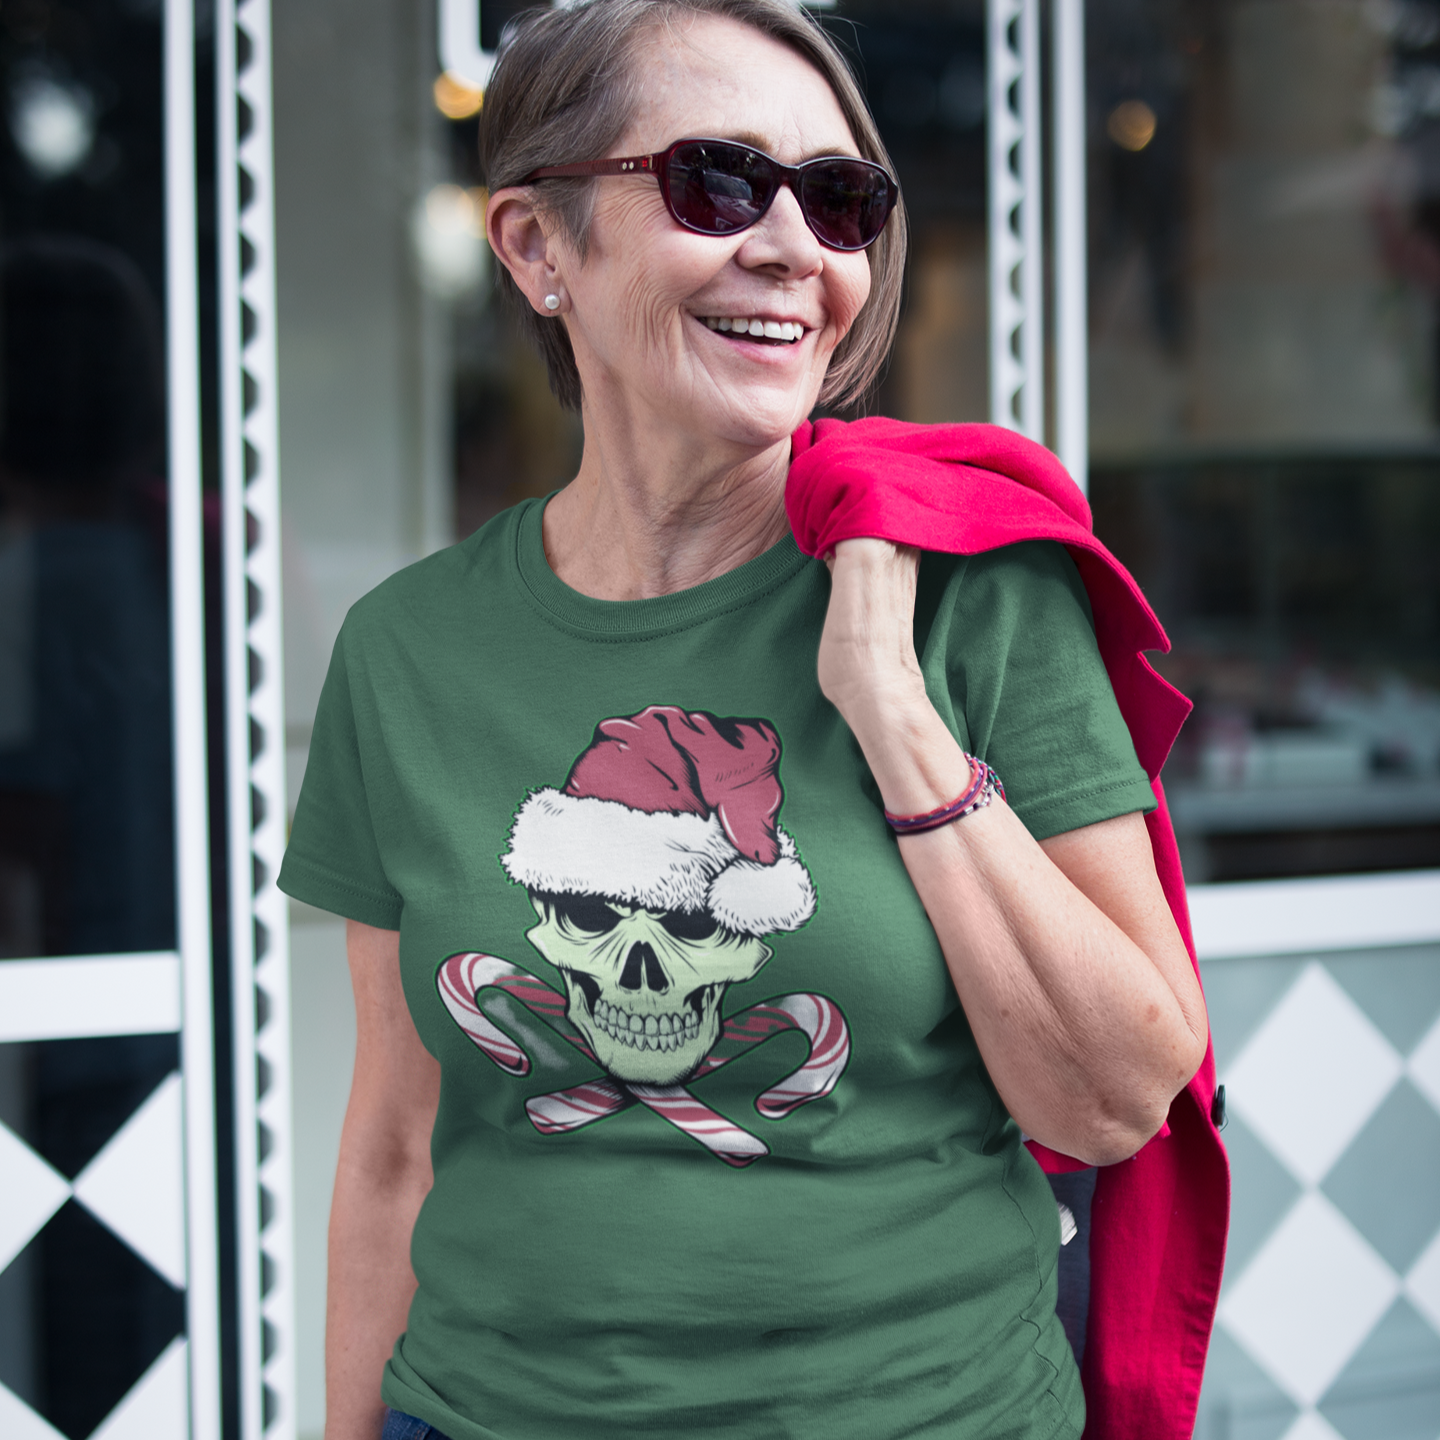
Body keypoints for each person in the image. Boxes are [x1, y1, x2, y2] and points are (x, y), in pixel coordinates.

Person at [277, 2, 1216, 1437]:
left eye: (841, 201)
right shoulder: (407, 649)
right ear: (538, 246)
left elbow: (1115, 1104)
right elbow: (395, 1151)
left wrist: (895, 718)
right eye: (719, 180)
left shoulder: (976, 596)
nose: (796, 247)